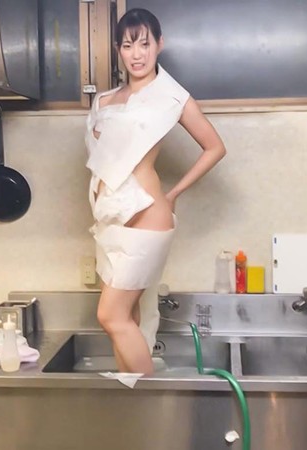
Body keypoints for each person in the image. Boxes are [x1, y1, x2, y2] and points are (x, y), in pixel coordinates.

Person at [85, 8, 226, 375]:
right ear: (118, 49)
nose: (137, 54)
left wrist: (173, 193)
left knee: (111, 316)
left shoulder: (171, 97)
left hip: (147, 213)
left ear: (159, 45)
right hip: (110, 220)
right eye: (128, 45)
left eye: (144, 44)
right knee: (128, 318)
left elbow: (215, 147)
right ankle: (132, 402)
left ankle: (150, 400)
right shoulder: (103, 101)